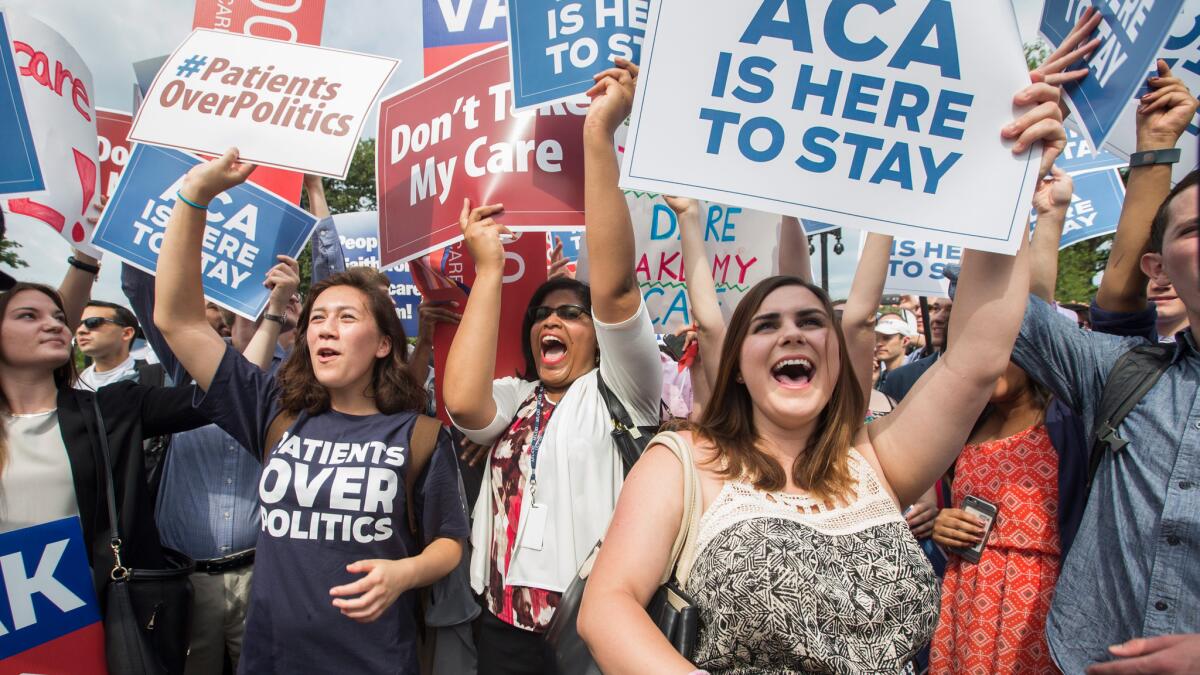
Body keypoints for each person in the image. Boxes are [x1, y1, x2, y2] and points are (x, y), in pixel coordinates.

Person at [575, 51, 1069, 672]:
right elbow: (607, 608)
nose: (793, 335)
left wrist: (1008, 178)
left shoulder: (878, 462)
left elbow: (975, 357)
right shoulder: (685, 465)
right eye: (767, 325)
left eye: (812, 322)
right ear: (737, 362)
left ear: (836, 359)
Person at [153, 151, 469, 675]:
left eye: (347, 317)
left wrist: (405, 573)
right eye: (319, 317)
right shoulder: (271, 412)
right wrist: (195, 197)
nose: (325, 327)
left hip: (376, 659)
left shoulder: (419, 437)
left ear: (385, 344)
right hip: (272, 657)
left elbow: (449, 542)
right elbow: (178, 319)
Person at [441, 57, 662, 675]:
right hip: (502, 628)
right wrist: (489, 271)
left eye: (570, 312)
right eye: (541, 314)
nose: (550, 322)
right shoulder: (517, 399)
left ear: (599, 335)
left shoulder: (625, 389)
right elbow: (462, 404)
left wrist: (598, 135)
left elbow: (616, 288)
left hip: (594, 629)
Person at [1009, 62, 1200, 673]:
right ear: (1159, 268)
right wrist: (1011, 176)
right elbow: (1007, 311)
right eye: (1195, 228)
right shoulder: (1123, 374)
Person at [74, 300, 163, 391]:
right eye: (77, 324)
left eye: (93, 322)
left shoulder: (155, 376)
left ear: (127, 333)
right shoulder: (77, 382)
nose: (81, 330)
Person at [874, 310, 916, 389]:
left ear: (905, 341)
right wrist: (873, 383)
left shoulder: (916, 374)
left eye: (886, 338)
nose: (879, 343)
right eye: (876, 338)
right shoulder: (878, 376)